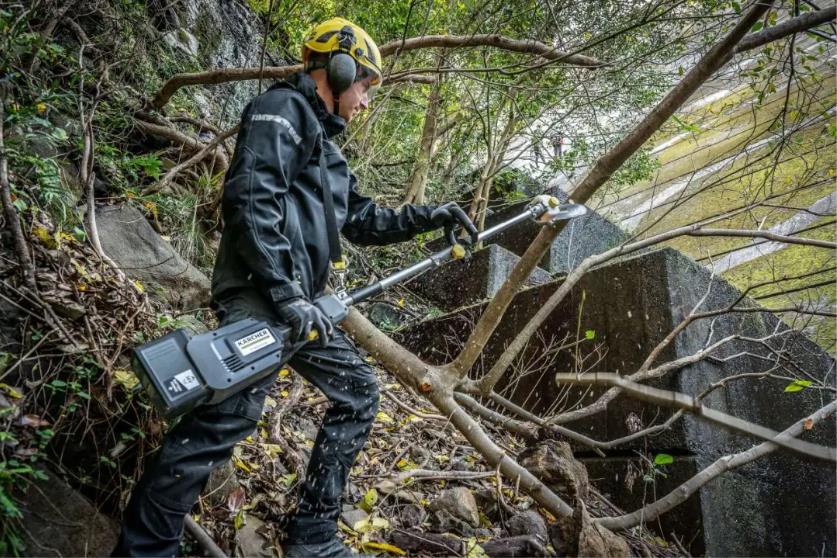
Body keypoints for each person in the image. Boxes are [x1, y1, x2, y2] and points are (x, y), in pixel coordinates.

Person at [112, 17, 477, 558]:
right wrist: (286, 294)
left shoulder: (328, 149)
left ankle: (312, 535)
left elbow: (363, 219)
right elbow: (251, 200)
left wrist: (435, 215)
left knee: (357, 392)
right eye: (365, 85)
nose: (366, 100)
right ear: (340, 68)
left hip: (299, 305)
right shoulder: (281, 109)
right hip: (265, 294)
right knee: (226, 419)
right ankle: (144, 551)